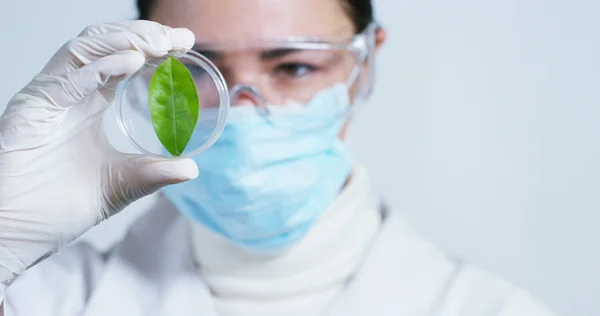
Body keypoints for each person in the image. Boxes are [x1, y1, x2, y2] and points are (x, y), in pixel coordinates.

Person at [0, 0, 558, 315]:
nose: (243, 111)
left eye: (293, 67)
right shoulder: (38, 301)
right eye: (197, 70)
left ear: (364, 64)